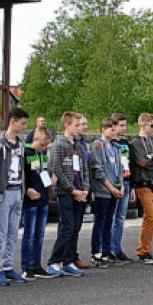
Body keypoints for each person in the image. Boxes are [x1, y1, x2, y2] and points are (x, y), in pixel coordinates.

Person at [0, 106, 30, 284]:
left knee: (13, 232)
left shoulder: (20, 144)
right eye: (22, 123)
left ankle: (8, 265)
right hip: (3, 193)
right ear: (12, 122)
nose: (24, 127)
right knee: (1, 232)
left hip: (17, 190)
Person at [46, 111, 90, 277]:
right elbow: (56, 168)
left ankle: (69, 260)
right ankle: (54, 260)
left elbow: (84, 169)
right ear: (67, 125)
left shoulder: (79, 146)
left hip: (80, 191)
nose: (80, 128)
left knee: (76, 227)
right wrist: (72, 190)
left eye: (81, 125)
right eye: (76, 125)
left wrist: (85, 189)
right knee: (67, 226)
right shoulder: (58, 145)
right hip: (66, 192)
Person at [89, 116, 125, 268]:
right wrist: (110, 187)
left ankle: (106, 250)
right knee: (100, 221)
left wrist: (121, 185)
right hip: (103, 190)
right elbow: (97, 169)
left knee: (109, 221)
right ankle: (96, 252)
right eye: (112, 129)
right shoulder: (98, 146)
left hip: (115, 188)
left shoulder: (116, 147)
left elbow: (120, 168)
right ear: (103, 130)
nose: (115, 131)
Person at [129, 113, 153, 264]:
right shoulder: (136, 143)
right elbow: (142, 162)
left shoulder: (152, 141)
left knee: (150, 218)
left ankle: (146, 248)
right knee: (151, 216)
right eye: (152, 125)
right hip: (143, 183)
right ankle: (143, 250)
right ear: (143, 125)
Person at [21, 125, 53, 279]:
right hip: (30, 199)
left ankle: (36, 263)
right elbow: (22, 175)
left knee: (40, 234)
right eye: (41, 145)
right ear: (34, 140)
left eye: (46, 145)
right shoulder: (25, 153)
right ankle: (26, 266)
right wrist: (26, 189)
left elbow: (45, 172)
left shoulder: (44, 153)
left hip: (43, 197)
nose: (44, 148)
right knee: (30, 233)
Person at [108, 113, 134, 264]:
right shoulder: (110, 144)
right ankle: (108, 248)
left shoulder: (125, 143)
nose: (124, 128)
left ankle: (117, 248)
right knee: (111, 217)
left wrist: (133, 187)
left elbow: (131, 164)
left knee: (120, 218)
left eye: (125, 125)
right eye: (121, 125)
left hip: (127, 181)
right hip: (114, 183)